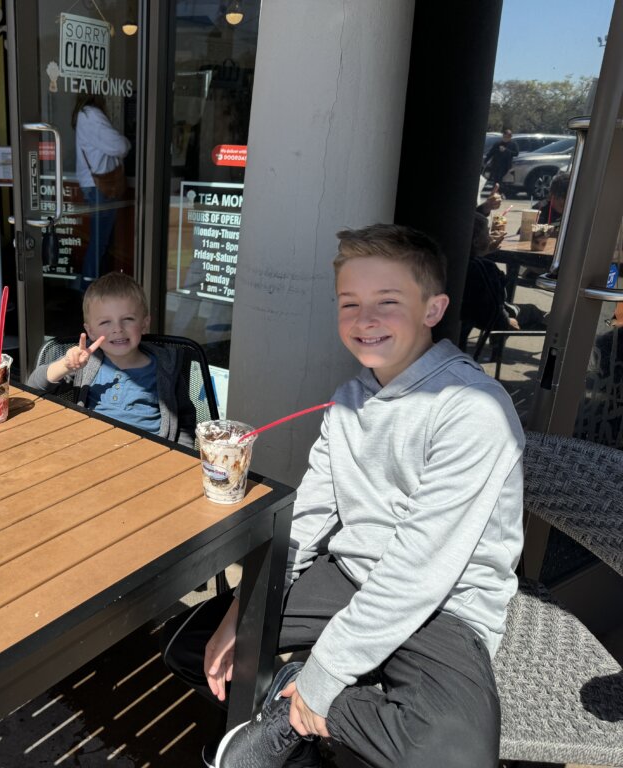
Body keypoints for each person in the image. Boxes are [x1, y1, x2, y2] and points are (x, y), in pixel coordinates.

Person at [160, 224, 524, 768]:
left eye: (388, 301)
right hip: (349, 577)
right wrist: (244, 610)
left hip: (443, 605)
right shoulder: (349, 399)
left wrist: (324, 680)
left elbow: (419, 571)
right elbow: (308, 517)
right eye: (349, 302)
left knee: (453, 756)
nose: (365, 319)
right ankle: (297, 706)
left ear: (433, 309)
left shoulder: (472, 410)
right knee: (197, 644)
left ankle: (300, 705)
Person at [26, 272, 195, 447]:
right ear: (90, 331)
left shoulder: (165, 368)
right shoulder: (85, 362)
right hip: (91, 449)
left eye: (128, 319)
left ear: (144, 324)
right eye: (105, 322)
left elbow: (184, 423)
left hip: (147, 457)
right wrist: (66, 366)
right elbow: (33, 386)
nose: (117, 329)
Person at [73, 94, 131, 288]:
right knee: (99, 243)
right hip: (100, 186)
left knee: (100, 241)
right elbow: (120, 146)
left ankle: (90, 288)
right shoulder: (91, 115)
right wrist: (128, 142)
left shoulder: (84, 115)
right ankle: (87, 290)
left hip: (94, 185)